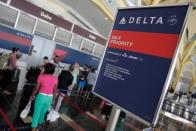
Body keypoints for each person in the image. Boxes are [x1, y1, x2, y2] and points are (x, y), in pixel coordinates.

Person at [30, 63, 58, 131]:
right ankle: (38, 128)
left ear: (45, 69)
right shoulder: (55, 79)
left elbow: (36, 89)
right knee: (43, 113)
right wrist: (54, 100)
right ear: (53, 70)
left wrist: (32, 95)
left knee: (36, 113)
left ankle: (33, 129)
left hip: (41, 96)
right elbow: (55, 91)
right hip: (49, 98)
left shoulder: (41, 76)